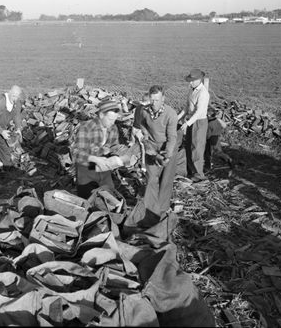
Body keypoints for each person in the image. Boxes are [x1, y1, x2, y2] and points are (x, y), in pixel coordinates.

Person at [133, 85, 178, 221]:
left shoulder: (171, 114)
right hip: (152, 147)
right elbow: (140, 125)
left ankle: (162, 209)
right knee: (151, 178)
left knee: (165, 180)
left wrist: (167, 155)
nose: (154, 103)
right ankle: (150, 210)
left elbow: (172, 138)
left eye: (157, 100)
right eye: (152, 100)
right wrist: (145, 136)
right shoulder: (144, 111)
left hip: (167, 147)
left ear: (163, 99)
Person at [71, 98, 130, 199]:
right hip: (86, 168)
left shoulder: (113, 128)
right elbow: (76, 152)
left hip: (103, 168)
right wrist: (95, 159)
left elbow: (113, 146)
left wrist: (119, 157)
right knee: (88, 198)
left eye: (115, 119)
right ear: (101, 115)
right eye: (110, 119)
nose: (113, 122)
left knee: (109, 195)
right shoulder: (86, 127)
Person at [177, 68, 210, 182]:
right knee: (189, 146)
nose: (190, 83)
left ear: (199, 80)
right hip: (191, 120)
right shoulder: (191, 90)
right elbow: (187, 107)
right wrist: (178, 118)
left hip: (199, 122)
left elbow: (199, 111)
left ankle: (199, 174)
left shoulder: (203, 93)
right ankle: (191, 171)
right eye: (190, 80)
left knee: (197, 147)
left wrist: (187, 123)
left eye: (192, 80)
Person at [204, 106, 232, 171]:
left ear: (208, 115)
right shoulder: (216, 120)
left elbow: (208, 134)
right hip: (217, 138)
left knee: (209, 153)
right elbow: (224, 126)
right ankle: (227, 159)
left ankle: (208, 167)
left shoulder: (210, 123)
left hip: (211, 139)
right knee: (218, 151)